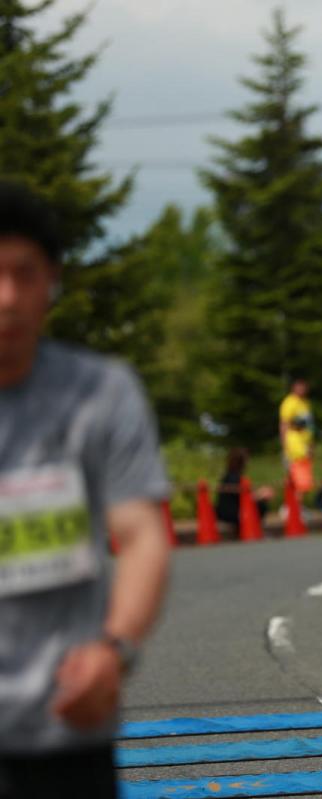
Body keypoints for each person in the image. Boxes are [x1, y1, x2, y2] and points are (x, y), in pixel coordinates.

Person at [0, 180, 172, 796]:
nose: (7, 298)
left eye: (24, 274)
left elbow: (141, 533)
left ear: (53, 282)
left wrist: (116, 648)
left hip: (67, 732)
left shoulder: (102, 393)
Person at [214, 448, 274, 537]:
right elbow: (245, 497)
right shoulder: (233, 478)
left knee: (260, 504)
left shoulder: (229, 476)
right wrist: (261, 494)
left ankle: (252, 528)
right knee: (261, 506)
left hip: (226, 510)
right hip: (231, 512)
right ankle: (252, 529)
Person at [279, 378, 315, 499]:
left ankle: (293, 506)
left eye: (304, 387)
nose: (302, 389)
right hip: (295, 445)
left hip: (304, 444)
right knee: (300, 479)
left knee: (297, 478)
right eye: (299, 386)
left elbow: (309, 427)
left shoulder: (305, 403)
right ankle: (293, 507)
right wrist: (285, 446)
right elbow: (284, 424)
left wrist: (310, 445)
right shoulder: (289, 402)